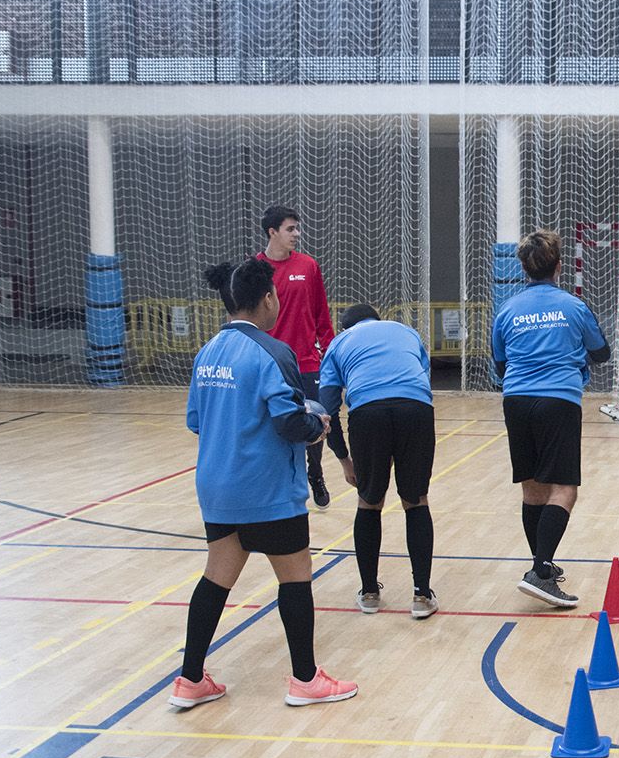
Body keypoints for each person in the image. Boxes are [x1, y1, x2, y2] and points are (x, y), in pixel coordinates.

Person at [169, 259, 358, 709]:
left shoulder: (208, 352)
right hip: (268, 490)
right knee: (295, 578)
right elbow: (290, 422)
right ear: (268, 298)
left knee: (216, 579)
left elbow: (196, 421)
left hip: (217, 489)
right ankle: (306, 680)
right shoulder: (274, 353)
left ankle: (190, 679)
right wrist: (318, 424)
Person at [490, 230, 610, 608]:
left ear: (523, 267)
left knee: (532, 488)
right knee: (564, 489)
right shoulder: (573, 307)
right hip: (558, 399)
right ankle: (542, 571)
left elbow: (499, 363)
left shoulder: (507, 309)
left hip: (517, 400)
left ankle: (542, 565)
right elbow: (602, 352)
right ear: (558, 267)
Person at [318, 304, 439, 620]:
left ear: (346, 328)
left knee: (369, 502)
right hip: (416, 409)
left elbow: (327, 410)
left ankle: (370, 592)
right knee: (416, 500)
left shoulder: (340, 343)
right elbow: (422, 379)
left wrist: (345, 460)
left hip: (368, 412)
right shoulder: (406, 332)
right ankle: (422, 596)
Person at [256, 205, 340, 511]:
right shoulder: (256, 270)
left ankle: (315, 473)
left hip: (306, 362)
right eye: (291, 229)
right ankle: (276, 481)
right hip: (268, 364)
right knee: (271, 424)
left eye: (297, 228)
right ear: (272, 232)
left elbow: (321, 314)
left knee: (316, 420)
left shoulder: (308, 266)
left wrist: (330, 354)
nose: (297, 234)